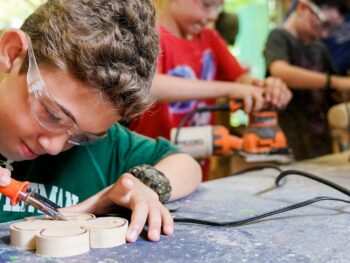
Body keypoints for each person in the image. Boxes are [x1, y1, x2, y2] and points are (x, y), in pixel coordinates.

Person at [0, 0, 202, 243]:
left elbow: (185, 164)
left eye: (84, 137)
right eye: (52, 115)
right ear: (12, 53)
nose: (54, 147)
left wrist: (139, 185)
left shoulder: (104, 147)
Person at [128, 0, 292, 179]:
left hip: (194, 170)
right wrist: (230, 89)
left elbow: (243, 82)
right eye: (207, 5)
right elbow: (149, 86)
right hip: (147, 168)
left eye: (218, 6)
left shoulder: (210, 39)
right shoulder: (150, 36)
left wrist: (268, 87)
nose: (214, 15)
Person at [264, 0, 350, 160]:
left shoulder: (319, 48)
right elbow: (280, 71)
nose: (324, 34)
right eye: (323, 24)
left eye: (331, 29)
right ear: (303, 7)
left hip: (320, 142)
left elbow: (337, 91)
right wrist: (336, 82)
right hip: (287, 140)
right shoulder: (279, 37)